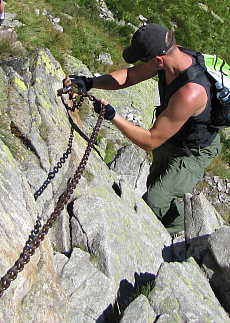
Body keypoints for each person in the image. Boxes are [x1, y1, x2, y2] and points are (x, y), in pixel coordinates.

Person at [63, 23, 221, 235]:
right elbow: (129, 76)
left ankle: (184, 232)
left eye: (144, 60)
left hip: (193, 150)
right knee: (154, 184)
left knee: (156, 200)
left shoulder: (190, 92)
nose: (142, 64)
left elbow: (151, 140)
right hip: (172, 136)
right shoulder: (171, 58)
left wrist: (113, 116)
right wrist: (89, 82)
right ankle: (163, 219)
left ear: (158, 60)